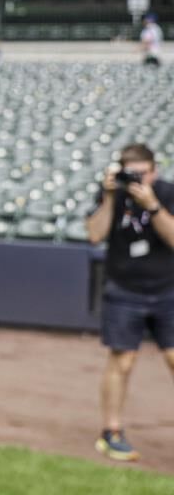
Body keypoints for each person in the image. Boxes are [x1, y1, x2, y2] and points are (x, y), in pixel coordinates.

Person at [85, 144, 174, 461]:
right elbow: (94, 235)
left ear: (155, 170)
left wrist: (152, 205)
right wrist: (109, 197)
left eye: (143, 172)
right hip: (124, 289)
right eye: (131, 172)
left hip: (168, 289)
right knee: (122, 361)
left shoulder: (166, 192)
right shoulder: (113, 193)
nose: (137, 178)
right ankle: (111, 432)